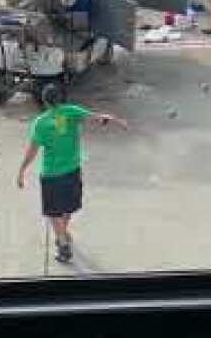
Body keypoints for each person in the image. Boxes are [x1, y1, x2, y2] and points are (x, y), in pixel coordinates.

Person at [17, 103, 128, 263]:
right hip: (72, 172)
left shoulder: (41, 122)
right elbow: (99, 118)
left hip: (52, 175)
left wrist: (22, 170)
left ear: (45, 102)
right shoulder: (71, 112)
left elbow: (32, 150)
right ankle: (63, 233)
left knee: (54, 212)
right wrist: (117, 121)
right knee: (68, 207)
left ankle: (63, 244)